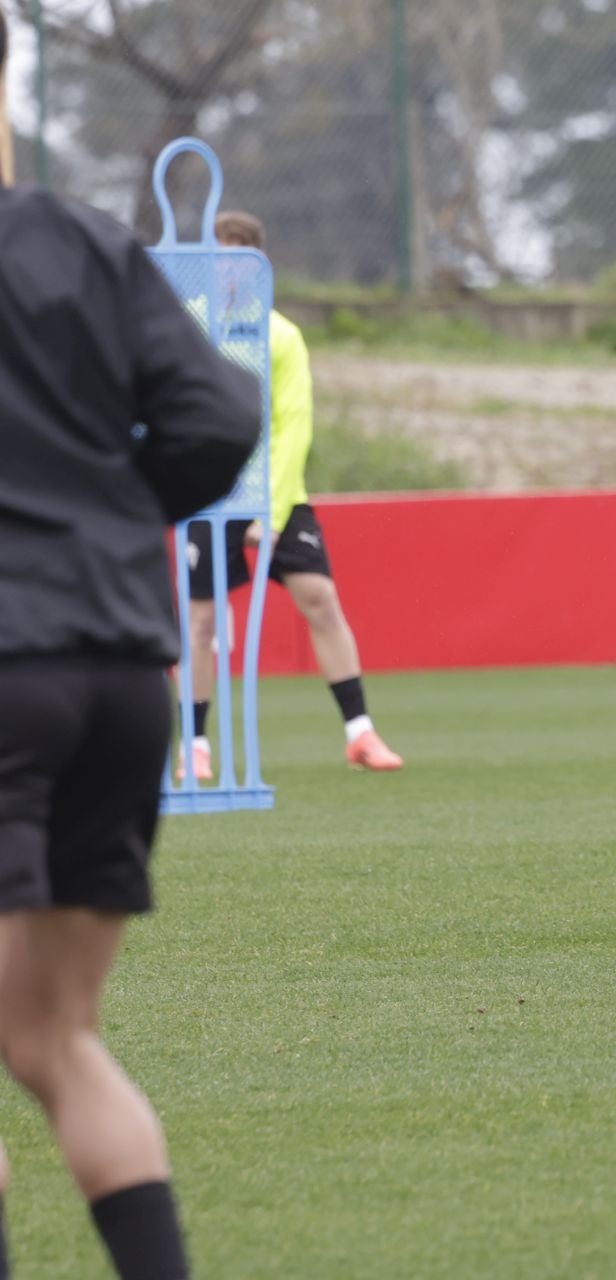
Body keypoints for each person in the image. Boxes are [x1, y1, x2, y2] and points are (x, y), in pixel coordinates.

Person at [0, 12, 260, 1274]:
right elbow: (222, 410)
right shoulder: (86, 238)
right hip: (116, 668)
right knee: (55, 1037)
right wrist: (103, 518)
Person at [178, 212, 402, 778]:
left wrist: (271, 514)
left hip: (276, 495)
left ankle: (360, 733)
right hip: (209, 495)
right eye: (216, 259)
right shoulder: (192, 327)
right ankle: (195, 744)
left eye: (235, 259)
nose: (224, 272)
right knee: (201, 620)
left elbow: (294, 426)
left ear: (256, 266)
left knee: (320, 598)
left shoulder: (281, 335)